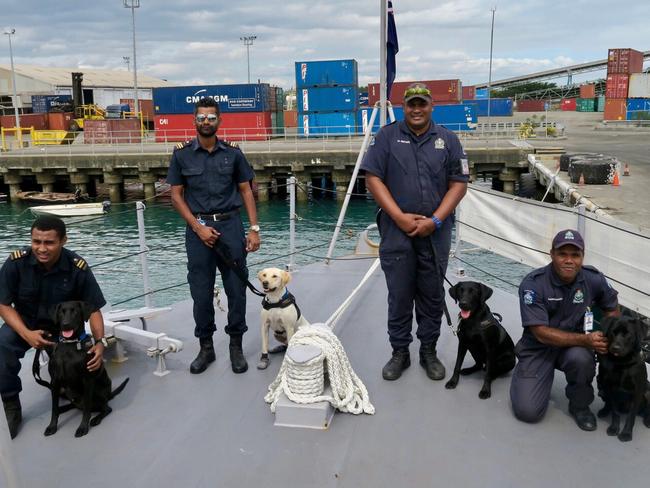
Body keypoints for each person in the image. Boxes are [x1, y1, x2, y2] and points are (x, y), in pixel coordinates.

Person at [360, 83, 469, 381]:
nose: (417, 109)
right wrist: (400, 218)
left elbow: (459, 183)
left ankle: (428, 351)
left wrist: (434, 220)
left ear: (431, 106)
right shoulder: (387, 137)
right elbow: (373, 178)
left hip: (435, 232)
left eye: (422, 104)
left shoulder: (448, 140)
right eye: (411, 104)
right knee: (399, 294)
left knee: (432, 294)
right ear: (404, 107)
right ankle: (400, 352)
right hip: (397, 232)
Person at [167, 97, 260, 375]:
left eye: (211, 117)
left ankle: (236, 346)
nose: (206, 122)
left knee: (236, 289)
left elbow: (246, 190)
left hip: (231, 227)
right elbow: (176, 196)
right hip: (198, 231)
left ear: (219, 121)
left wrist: (254, 229)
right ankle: (206, 348)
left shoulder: (233, 153)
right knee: (201, 292)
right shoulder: (181, 154)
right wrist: (198, 227)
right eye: (201, 118)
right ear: (194, 121)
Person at [0, 216, 107, 438]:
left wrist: (100, 342)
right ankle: (11, 405)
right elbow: (3, 304)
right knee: (2, 347)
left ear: (63, 241)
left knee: (80, 364)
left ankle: (72, 391)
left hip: (63, 330)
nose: (41, 248)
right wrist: (26, 333)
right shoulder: (16, 262)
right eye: (36, 241)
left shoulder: (77, 267)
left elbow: (94, 309)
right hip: (26, 323)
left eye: (49, 242)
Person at [510, 229, 619, 431]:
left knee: (582, 359)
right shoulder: (533, 284)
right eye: (562, 254)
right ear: (552, 254)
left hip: (573, 349)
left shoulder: (593, 278)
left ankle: (579, 406)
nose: (569, 260)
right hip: (539, 348)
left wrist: (609, 337)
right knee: (528, 412)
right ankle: (528, 373)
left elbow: (612, 308)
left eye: (575, 255)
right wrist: (586, 340)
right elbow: (540, 332)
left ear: (582, 257)